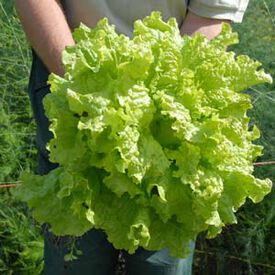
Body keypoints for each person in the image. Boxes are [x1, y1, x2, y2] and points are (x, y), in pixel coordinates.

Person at [15, 1, 250, 274]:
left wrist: (163, 110)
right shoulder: (75, 85)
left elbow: (211, 14)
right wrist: (82, 90)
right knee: (76, 254)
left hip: (169, 115)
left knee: (160, 260)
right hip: (69, 75)